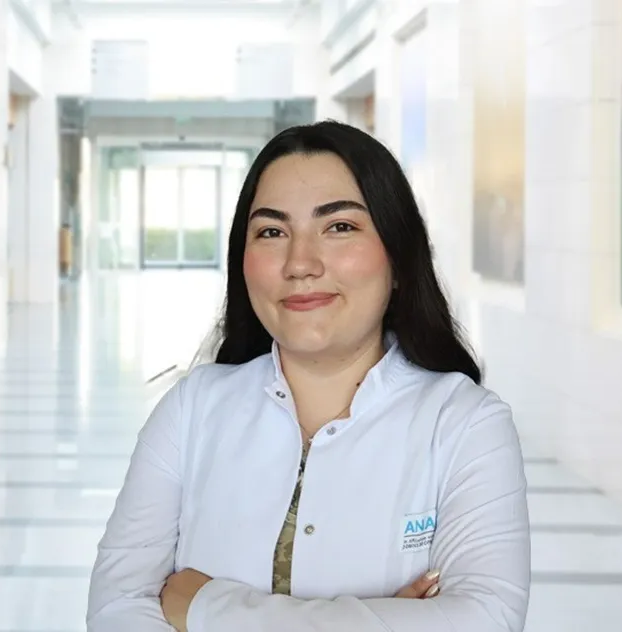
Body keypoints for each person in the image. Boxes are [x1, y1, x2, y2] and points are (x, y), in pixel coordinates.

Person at [86, 121, 531, 632]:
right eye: (272, 232)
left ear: (398, 257)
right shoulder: (191, 409)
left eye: (339, 227)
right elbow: (116, 608)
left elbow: (485, 619)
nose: (300, 263)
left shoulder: (466, 424)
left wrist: (205, 607)